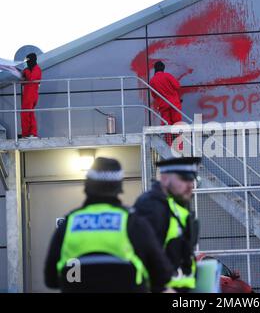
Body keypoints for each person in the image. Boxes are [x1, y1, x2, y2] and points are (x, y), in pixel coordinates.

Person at [44, 157, 173, 293]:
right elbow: (162, 275)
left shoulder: (69, 223)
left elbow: (51, 280)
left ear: (87, 185)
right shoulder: (133, 222)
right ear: (119, 187)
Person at [134, 157, 201, 293]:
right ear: (164, 179)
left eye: (192, 180)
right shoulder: (152, 206)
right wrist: (160, 288)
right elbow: (143, 255)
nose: (190, 185)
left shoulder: (176, 205)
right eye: (184, 179)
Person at [149, 61, 182, 147]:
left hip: (163, 105)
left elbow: (154, 95)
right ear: (163, 68)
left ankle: (169, 145)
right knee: (177, 123)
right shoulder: (168, 76)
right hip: (174, 104)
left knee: (167, 125)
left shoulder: (152, 80)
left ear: (155, 69)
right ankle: (180, 146)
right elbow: (177, 86)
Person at [21, 53, 42, 138]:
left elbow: (31, 79)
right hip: (27, 94)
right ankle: (31, 133)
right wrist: (24, 75)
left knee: (26, 114)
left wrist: (26, 72)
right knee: (29, 114)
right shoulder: (30, 69)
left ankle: (27, 134)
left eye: (28, 61)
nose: (27, 63)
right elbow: (24, 82)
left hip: (31, 95)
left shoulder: (36, 69)